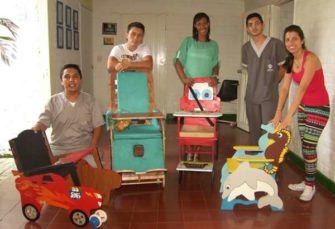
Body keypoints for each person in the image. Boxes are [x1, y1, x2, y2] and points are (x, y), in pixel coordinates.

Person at [272, 25, 330, 202]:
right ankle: (308, 181)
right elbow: (285, 89)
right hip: (304, 107)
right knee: (306, 145)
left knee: (308, 146)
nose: (291, 43)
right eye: (288, 39)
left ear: (302, 40)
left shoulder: (310, 59)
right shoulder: (289, 61)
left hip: (319, 107)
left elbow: (302, 89)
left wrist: (289, 115)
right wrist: (277, 113)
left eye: (295, 39)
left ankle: (311, 186)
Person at [32, 64, 105, 167]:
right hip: (58, 148)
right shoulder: (53, 101)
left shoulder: (89, 100)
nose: (71, 80)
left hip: (83, 147)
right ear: (62, 81)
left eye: (75, 76)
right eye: (67, 77)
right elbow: (43, 121)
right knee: (45, 173)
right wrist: (37, 127)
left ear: (80, 80)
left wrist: (92, 146)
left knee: (93, 171)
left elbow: (98, 125)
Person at [174, 12, 220, 161]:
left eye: (205, 23)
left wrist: (214, 77)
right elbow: (177, 61)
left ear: (209, 24)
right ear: (195, 25)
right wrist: (184, 79)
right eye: (199, 23)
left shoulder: (214, 45)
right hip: (191, 88)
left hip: (206, 90)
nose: (202, 26)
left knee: (203, 120)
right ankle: (190, 148)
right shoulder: (187, 42)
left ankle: (198, 149)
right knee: (190, 120)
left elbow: (216, 64)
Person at [242, 12, 287, 145]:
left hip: (269, 96)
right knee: (254, 132)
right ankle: (255, 160)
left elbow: (283, 68)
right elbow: (250, 70)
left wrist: (272, 83)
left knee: (269, 132)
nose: (254, 27)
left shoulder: (275, 44)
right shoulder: (245, 48)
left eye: (257, 23)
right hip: (251, 95)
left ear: (262, 25)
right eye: (250, 25)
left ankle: (269, 163)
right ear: (247, 29)